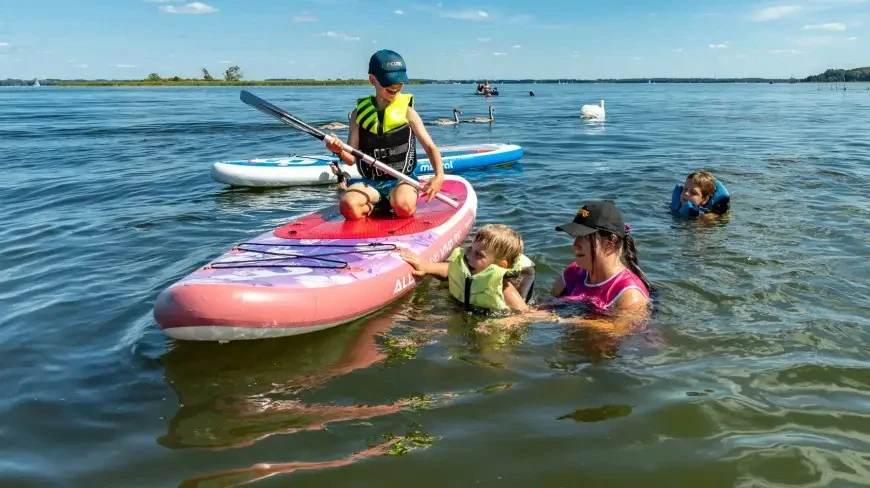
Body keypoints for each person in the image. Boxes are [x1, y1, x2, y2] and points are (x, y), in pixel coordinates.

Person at [324, 49, 445, 220]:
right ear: (373, 79)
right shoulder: (358, 115)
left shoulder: (408, 113)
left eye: (399, 82)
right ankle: (379, 208)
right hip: (372, 182)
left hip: (402, 179)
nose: (396, 86)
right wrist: (337, 149)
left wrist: (439, 176)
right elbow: (350, 158)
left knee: (403, 206)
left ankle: (398, 203)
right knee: (348, 206)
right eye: (389, 82)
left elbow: (430, 147)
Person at [399, 224, 536, 313]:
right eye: (470, 249)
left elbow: (524, 314)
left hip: (489, 319)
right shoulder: (466, 266)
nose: (469, 256)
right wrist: (426, 267)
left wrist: (504, 323)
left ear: (501, 265)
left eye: (478, 254)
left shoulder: (505, 289)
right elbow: (449, 270)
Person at [551, 201, 651, 317]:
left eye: (584, 237)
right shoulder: (572, 273)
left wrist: (556, 318)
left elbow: (617, 330)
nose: (575, 245)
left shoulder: (629, 294)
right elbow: (546, 306)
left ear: (612, 241)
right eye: (576, 237)